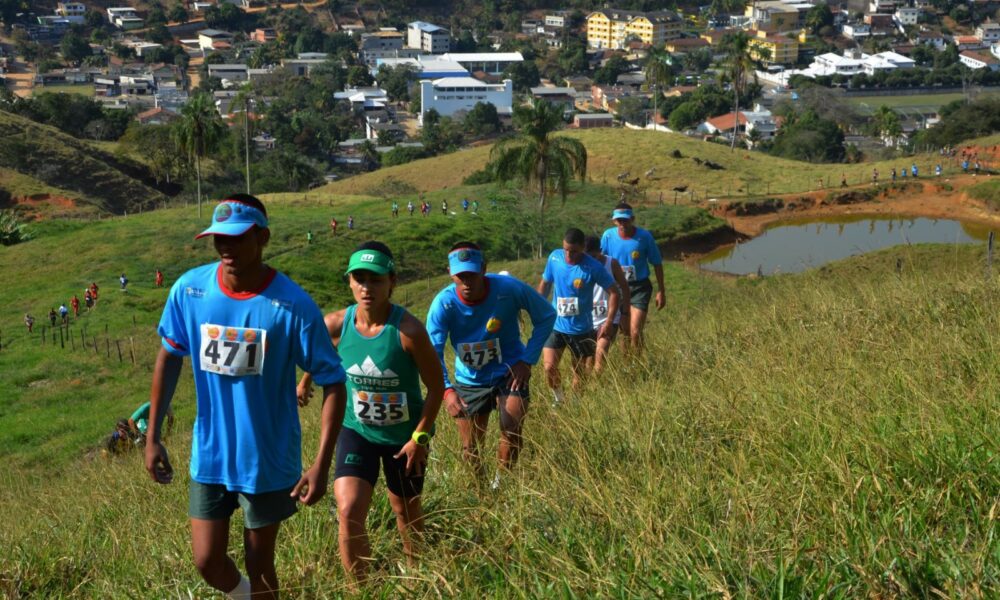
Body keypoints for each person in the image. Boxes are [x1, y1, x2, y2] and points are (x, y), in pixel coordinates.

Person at [144, 193, 348, 599]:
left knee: (260, 562)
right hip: (211, 454)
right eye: (219, 238)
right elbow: (169, 356)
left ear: (263, 238)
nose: (226, 247)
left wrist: (321, 465)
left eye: (237, 238)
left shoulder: (292, 306)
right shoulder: (190, 291)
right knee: (206, 561)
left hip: (267, 459)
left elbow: (334, 382)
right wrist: (152, 437)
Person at [297, 241, 443, 582]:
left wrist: (419, 437)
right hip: (356, 431)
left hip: (404, 439)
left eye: (376, 279)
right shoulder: (335, 324)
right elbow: (320, 353)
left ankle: (416, 576)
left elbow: (436, 388)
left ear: (391, 282)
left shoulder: (408, 332)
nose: (367, 287)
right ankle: (358, 588)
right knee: (348, 510)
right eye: (359, 278)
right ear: (348, 281)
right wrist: (305, 382)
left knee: (404, 510)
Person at [426, 242, 556, 485]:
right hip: (469, 379)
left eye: (472, 274)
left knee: (512, 428)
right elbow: (432, 351)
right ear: (450, 273)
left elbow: (547, 315)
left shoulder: (508, 289)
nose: (466, 282)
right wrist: (446, 390)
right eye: (460, 275)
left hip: (510, 370)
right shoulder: (443, 304)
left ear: (484, 268)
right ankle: (480, 492)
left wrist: (527, 360)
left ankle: (500, 486)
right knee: (470, 448)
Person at [538, 228, 620, 403]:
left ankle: (576, 403)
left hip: (581, 329)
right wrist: (538, 307)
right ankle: (559, 400)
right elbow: (545, 283)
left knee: (579, 372)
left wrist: (609, 321)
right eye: (566, 249)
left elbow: (614, 292)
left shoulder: (593, 267)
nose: (569, 254)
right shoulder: (554, 258)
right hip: (556, 325)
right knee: (549, 367)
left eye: (574, 251)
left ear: (583, 248)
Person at [600, 202, 665, 352]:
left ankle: (638, 363)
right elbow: (599, 260)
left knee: (635, 330)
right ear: (614, 221)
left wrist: (661, 290)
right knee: (625, 332)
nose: (622, 223)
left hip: (639, 287)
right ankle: (628, 367)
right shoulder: (608, 236)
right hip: (617, 289)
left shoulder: (644, 237)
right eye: (619, 220)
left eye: (626, 220)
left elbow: (657, 263)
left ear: (633, 219)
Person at [584, 236, 631, 374]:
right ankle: (589, 392)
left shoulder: (612, 264)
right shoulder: (580, 265)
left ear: (600, 251)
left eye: (593, 256)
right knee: (588, 361)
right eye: (587, 256)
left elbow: (625, 287)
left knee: (600, 353)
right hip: (588, 321)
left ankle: (595, 386)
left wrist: (625, 312)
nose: (590, 259)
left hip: (609, 318)